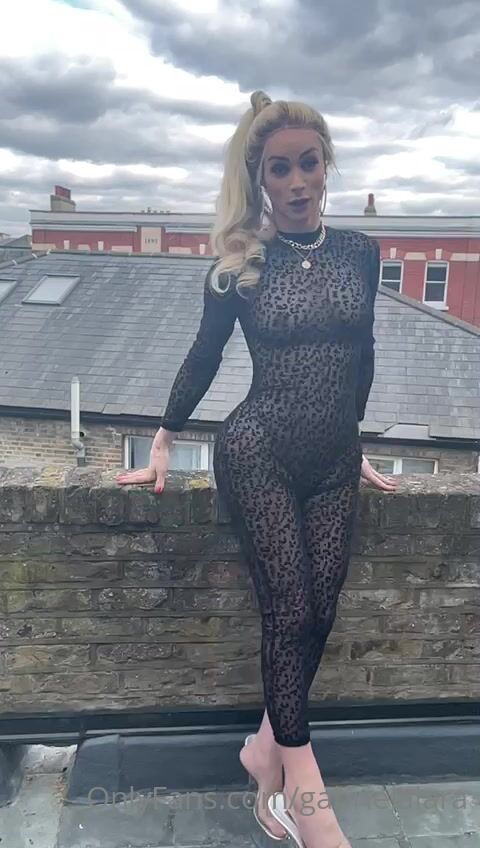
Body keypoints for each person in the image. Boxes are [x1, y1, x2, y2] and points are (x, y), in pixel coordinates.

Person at [115, 90, 397, 848]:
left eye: (309, 163)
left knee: (320, 615)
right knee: (290, 613)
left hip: (334, 460)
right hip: (258, 452)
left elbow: (363, 354)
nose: (298, 182)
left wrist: (354, 441)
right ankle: (306, 795)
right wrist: (165, 437)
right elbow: (203, 357)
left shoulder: (361, 254)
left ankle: (262, 752)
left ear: (326, 164)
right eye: (280, 169)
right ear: (259, 178)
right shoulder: (237, 269)